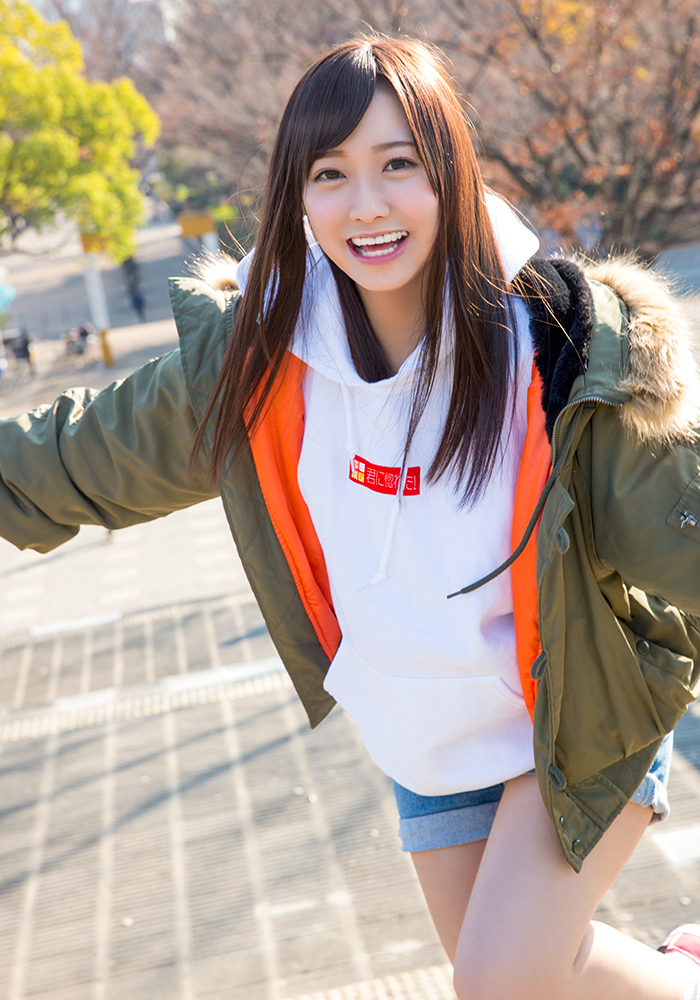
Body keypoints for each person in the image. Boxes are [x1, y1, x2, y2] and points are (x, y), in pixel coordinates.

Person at [0, 35, 699, 1000]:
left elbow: (680, 519)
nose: (366, 205)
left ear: (451, 171)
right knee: (545, 980)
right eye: (330, 174)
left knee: (500, 982)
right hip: (426, 733)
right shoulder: (263, 361)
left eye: (398, 164)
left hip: (576, 716)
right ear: (298, 196)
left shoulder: (560, 350)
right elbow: (85, 451)